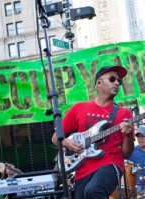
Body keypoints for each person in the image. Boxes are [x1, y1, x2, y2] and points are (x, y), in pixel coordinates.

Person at [52, 65, 135, 199]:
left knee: (93, 191)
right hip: (82, 168)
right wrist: (67, 143)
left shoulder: (124, 113)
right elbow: (56, 138)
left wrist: (128, 135)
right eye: (112, 79)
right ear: (98, 83)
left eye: (119, 81)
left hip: (110, 163)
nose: (117, 83)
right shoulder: (79, 108)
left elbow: (127, 153)